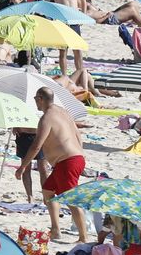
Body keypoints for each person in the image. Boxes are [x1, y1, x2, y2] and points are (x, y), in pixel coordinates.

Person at [16, 87, 88, 242]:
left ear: (41, 99)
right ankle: (55, 229)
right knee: (48, 191)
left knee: (71, 199)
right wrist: (79, 154)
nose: (35, 102)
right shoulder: (63, 112)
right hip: (74, 159)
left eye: (36, 99)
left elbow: (36, 145)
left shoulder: (46, 118)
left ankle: (84, 237)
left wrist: (22, 167)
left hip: (68, 161)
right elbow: (78, 135)